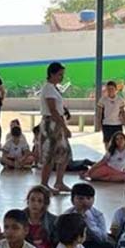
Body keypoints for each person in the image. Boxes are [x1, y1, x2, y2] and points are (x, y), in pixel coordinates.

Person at [38, 62, 72, 194]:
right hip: (51, 125)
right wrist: (64, 127)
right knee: (50, 154)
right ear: (52, 74)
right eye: (59, 74)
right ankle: (44, 183)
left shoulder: (54, 88)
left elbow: (58, 107)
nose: (61, 77)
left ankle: (59, 181)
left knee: (64, 152)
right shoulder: (48, 89)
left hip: (57, 123)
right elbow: (52, 110)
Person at [65, 183, 112, 248]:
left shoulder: (98, 215)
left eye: (88, 198)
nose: (85, 202)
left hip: (92, 245)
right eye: (80, 198)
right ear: (72, 200)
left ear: (93, 200)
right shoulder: (67, 215)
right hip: (74, 246)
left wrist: (88, 222)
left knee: (107, 247)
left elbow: (102, 238)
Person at [95, 80, 125, 146]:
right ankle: (108, 155)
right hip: (106, 124)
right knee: (107, 142)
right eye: (108, 89)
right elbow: (99, 113)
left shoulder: (120, 100)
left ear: (116, 89)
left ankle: (117, 155)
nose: (110, 91)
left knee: (119, 142)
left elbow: (122, 111)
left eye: (112, 89)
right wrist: (98, 123)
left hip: (117, 124)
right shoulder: (103, 99)